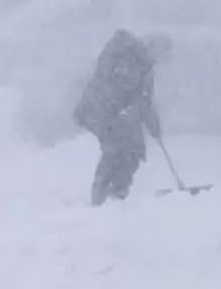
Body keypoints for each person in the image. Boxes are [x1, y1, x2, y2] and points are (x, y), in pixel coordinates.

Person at [73, 29, 173, 206]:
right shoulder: (125, 52)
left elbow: (145, 102)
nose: (158, 60)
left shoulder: (145, 69)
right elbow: (109, 83)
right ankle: (100, 196)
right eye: (159, 55)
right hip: (99, 108)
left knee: (134, 149)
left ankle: (118, 193)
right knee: (114, 148)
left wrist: (154, 127)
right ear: (152, 47)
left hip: (117, 112)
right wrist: (122, 108)